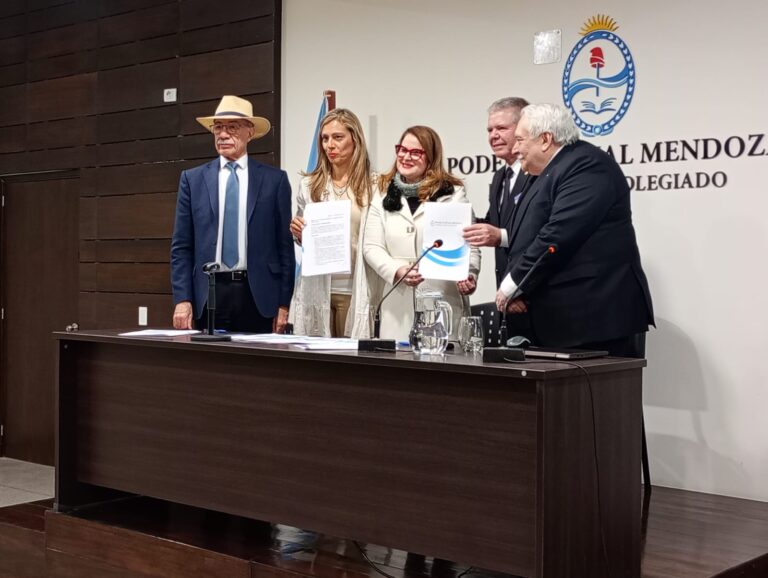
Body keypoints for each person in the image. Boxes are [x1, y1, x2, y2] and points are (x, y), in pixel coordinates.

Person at [496, 103, 654, 357]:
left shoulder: (586, 166)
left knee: (598, 398)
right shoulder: (546, 172)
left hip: (594, 322)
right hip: (561, 323)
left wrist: (513, 284)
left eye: (520, 140)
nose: (514, 149)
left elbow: (558, 235)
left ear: (545, 139)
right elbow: (528, 232)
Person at [170, 95, 295, 333]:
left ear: (250, 132)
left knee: (257, 367)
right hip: (208, 294)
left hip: (258, 296)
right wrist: (182, 299)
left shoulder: (274, 181)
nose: (223, 134)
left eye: (232, 128)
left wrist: (283, 303)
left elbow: (284, 249)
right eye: (218, 128)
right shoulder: (192, 180)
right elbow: (181, 247)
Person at [364, 125, 480, 341]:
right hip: (397, 305)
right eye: (402, 149)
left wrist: (470, 274)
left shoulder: (452, 194)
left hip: (442, 303)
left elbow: (470, 243)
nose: (406, 157)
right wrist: (397, 270)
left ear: (431, 157)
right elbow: (371, 247)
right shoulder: (381, 194)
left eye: (415, 152)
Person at [288, 108, 382, 337]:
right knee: (317, 366)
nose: (330, 145)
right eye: (325, 138)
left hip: (356, 289)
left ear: (355, 139)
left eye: (338, 137)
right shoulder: (309, 185)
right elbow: (304, 237)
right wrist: (298, 232)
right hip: (317, 288)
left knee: (353, 366)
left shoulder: (375, 184)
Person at [463, 96, 534, 340]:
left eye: (502, 128)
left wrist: (520, 291)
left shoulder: (538, 174)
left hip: (532, 299)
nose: (493, 135)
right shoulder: (499, 178)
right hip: (508, 301)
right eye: (490, 129)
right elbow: (492, 223)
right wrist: (456, 216)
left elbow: (541, 234)